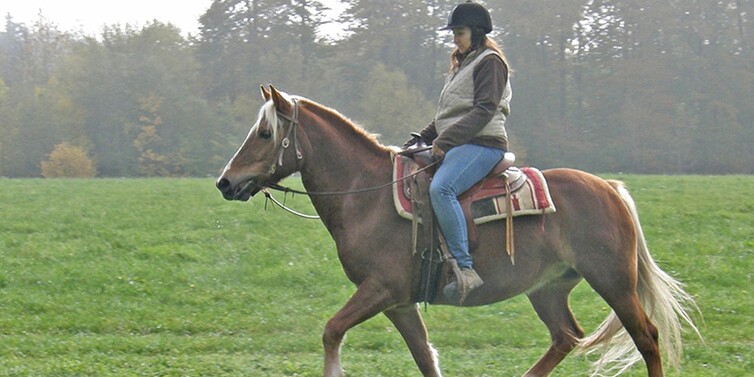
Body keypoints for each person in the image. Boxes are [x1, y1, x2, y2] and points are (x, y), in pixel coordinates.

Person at [405, 1, 512, 302]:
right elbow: (448, 116)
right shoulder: (462, 65)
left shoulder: (490, 62)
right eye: (453, 33)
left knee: (442, 189)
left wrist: (444, 141)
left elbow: (484, 110)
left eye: (460, 32)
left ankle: (465, 270)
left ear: (477, 33)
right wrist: (420, 139)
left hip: (483, 144)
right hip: (460, 143)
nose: (455, 38)